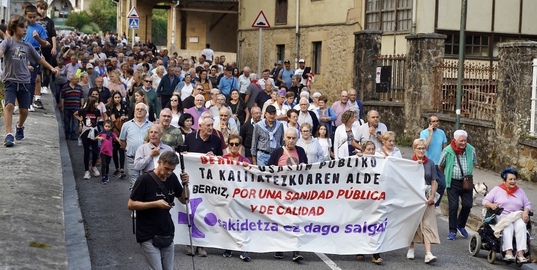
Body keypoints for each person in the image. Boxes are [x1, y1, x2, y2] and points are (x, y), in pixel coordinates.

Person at [1, 15, 57, 146]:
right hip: (10, 80)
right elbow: (1, 50)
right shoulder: (8, 42)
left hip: (25, 81)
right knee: (9, 105)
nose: (25, 30)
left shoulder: (27, 45)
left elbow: (39, 59)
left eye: (26, 27)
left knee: (24, 110)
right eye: (22, 27)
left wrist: (51, 68)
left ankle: (19, 126)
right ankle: (9, 135)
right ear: (14, 28)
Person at [128, 151, 190, 270]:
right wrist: (155, 204)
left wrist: (186, 185)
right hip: (148, 233)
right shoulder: (144, 179)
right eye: (166, 168)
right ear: (159, 162)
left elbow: (184, 200)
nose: (168, 172)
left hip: (166, 231)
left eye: (172, 170)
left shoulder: (172, 178)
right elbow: (131, 204)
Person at [268, 128, 306, 262]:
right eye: (288, 138)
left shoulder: (301, 151)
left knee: (296, 222)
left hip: (296, 194)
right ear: (284, 138)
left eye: (293, 138)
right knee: (281, 221)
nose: (291, 140)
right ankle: (279, 248)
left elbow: (307, 171)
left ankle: (296, 251)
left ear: (297, 139)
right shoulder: (277, 152)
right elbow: (268, 171)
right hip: (280, 194)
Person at [482, 167, 532, 262]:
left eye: (514, 179)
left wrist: (525, 212)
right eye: (510, 179)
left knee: (521, 225)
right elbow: (485, 201)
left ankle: (520, 254)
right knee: (508, 226)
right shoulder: (497, 190)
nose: (513, 181)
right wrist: (492, 205)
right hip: (502, 215)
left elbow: (527, 204)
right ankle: (508, 252)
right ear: (504, 180)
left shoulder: (520, 191)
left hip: (516, 216)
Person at [438, 130, 477, 240]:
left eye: (465, 140)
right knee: (453, 207)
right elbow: (441, 165)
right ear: (455, 140)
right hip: (453, 182)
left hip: (467, 181)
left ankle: (460, 225)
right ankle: (452, 231)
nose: (463, 143)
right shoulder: (447, 150)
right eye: (461, 141)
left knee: (468, 205)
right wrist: (443, 179)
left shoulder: (471, 149)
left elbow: (474, 162)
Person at [407, 138, 440, 264]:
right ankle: (411, 247)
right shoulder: (409, 163)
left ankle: (428, 253)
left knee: (427, 223)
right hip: (413, 198)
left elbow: (433, 180)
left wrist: (432, 196)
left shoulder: (430, 163)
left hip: (426, 198)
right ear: (414, 149)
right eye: (419, 148)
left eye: (423, 148)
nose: (421, 150)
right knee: (413, 223)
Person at [120, 103, 153, 190]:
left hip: (147, 158)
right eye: (137, 109)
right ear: (134, 111)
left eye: (142, 109)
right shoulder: (126, 125)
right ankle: (134, 202)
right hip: (132, 158)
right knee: (134, 183)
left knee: (147, 182)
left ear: (146, 112)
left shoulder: (151, 126)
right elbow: (122, 140)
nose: (139, 111)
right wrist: (128, 149)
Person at [420, 115, 448, 209]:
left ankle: (436, 204)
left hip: (438, 163)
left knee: (442, 184)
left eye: (437, 121)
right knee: (428, 185)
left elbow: (444, 147)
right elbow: (425, 147)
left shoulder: (441, 133)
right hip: (428, 163)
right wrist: (431, 134)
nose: (436, 123)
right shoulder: (424, 133)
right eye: (433, 121)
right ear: (429, 123)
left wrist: (445, 161)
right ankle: (425, 202)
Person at [74, 96, 102, 179]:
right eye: (95, 102)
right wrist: (81, 121)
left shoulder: (97, 111)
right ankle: (86, 171)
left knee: (95, 151)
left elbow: (99, 117)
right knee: (86, 151)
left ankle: (93, 166)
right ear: (91, 103)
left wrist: (96, 121)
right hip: (86, 131)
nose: (97, 104)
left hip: (94, 131)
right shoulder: (83, 111)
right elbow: (75, 114)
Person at [107, 91, 129, 178]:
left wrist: (125, 117)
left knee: (122, 149)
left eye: (118, 97)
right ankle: (117, 168)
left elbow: (129, 115)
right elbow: (111, 119)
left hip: (123, 130)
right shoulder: (111, 107)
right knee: (115, 150)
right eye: (115, 97)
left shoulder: (125, 106)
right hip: (114, 131)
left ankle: (122, 168)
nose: (117, 99)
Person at [95, 120, 121, 184]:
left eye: (108, 127)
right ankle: (103, 176)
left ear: (111, 127)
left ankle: (106, 174)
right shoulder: (101, 133)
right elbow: (94, 138)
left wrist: (122, 144)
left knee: (107, 164)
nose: (107, 128)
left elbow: (117, 139)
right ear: (103, 126)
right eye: (106, 126)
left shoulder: (112, 134)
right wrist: (98, 138)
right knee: (103, 164)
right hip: (103, 151)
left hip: (109, 152)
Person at [60, 75, 85, 141]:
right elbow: (62, 97)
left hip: (76, 107)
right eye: (76, 79)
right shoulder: (65, 87)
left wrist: (82, 105)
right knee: (67, 122)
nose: (77, 80)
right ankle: (67, 134)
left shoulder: (79, 87)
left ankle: (73, 135)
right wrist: (62, 106)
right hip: (67, 107)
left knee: (75, 122)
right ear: (71, 80)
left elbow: (81, 97)